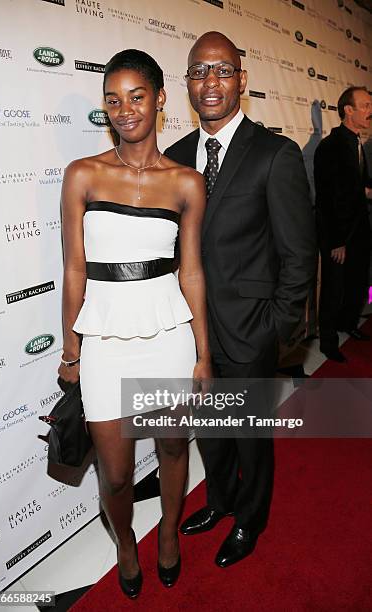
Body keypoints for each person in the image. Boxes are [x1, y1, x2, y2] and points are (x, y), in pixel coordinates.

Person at [58, 49, 211, 598]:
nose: (125, 110)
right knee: (117, 474)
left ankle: (167, 533)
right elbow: (74, 267)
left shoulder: (187, 183)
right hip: (103, 340)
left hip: (168, 335)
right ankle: (126, 542)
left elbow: (191, 271)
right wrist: (71, 349)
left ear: (161, 99)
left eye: (137, 97)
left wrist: (202, 353)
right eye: (113, 100)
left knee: (173, 448)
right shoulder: (83, 174)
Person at [165, 31, 316, 568]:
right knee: (210, 430)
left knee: (250, 435)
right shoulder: (176, 157)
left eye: (222, 71)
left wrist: (277, 325)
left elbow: (299, 252)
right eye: (200, 72)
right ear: (187, 83)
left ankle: (251, 518)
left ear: (242, 80)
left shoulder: (275, 154)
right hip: (191, 331)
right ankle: (220, 500)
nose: (211, 82)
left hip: (251, 327)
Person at [314, 86, 372, 362]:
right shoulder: (331, 146)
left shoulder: (357, 143)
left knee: (357, 284)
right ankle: (328, 341)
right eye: (365, 106)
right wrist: (337, 241)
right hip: (339, 236)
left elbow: (354, 186)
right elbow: (328, 198)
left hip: (360, 231)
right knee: (333, 291)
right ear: (348, 111)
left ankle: (348, 324)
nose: (370, 111)